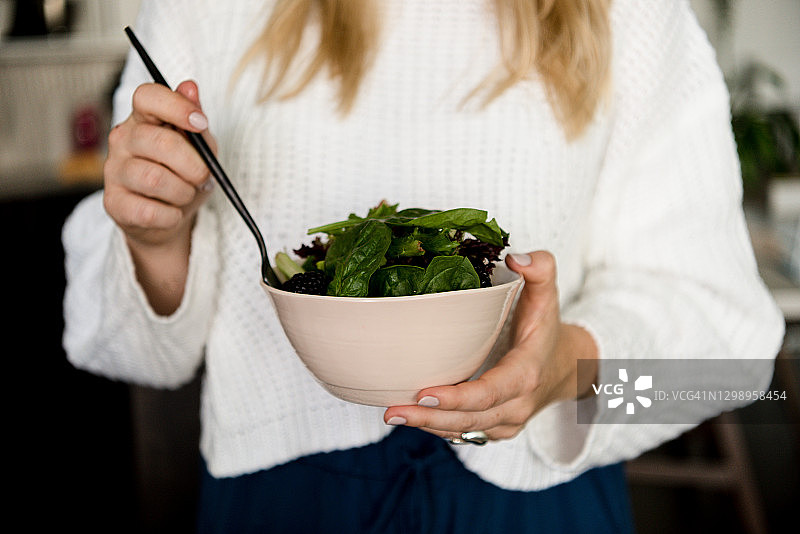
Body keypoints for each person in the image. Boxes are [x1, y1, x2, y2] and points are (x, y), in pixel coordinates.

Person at [62, 0, 784, 532]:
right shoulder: (207, 12)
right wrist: (155, 241)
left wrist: (563, 374)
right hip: (280, 507)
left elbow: (727, 368)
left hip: (539, 509)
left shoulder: (636, 19)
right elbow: (131, 352)